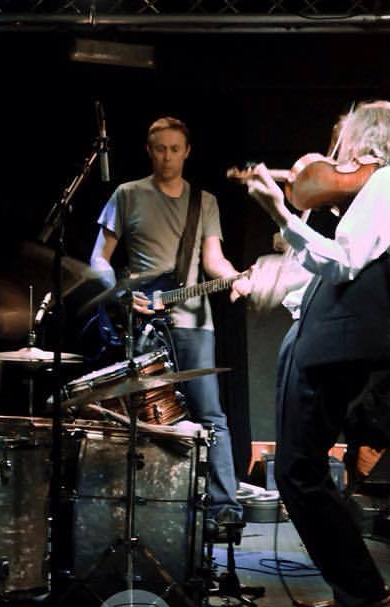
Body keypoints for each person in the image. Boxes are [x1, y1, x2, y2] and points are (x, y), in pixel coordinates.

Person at [239, 100, 390, 607]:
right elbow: (347, 266)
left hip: (332, 342)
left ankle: (364, 596)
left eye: (346, 146)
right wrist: (287, 284)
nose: (342, 159)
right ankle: (357, 593)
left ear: (366, 140)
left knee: (298, 470)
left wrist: (282, 214)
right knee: (301, 469)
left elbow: (344, 260)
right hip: (331, 336)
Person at [89, 116, 249, 532]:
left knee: (210, 414)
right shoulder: (127, 194)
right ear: (149, 150)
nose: (167, 157)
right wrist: (122, 295)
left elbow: (213, 260)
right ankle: (149, 506)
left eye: (175, 149)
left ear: (187, 152)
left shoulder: (204, 202)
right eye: (160, 149)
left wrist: (236, 278)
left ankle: (224, 509)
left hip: (193, 322)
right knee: (146, 418)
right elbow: (99, 259)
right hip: (141, 325)